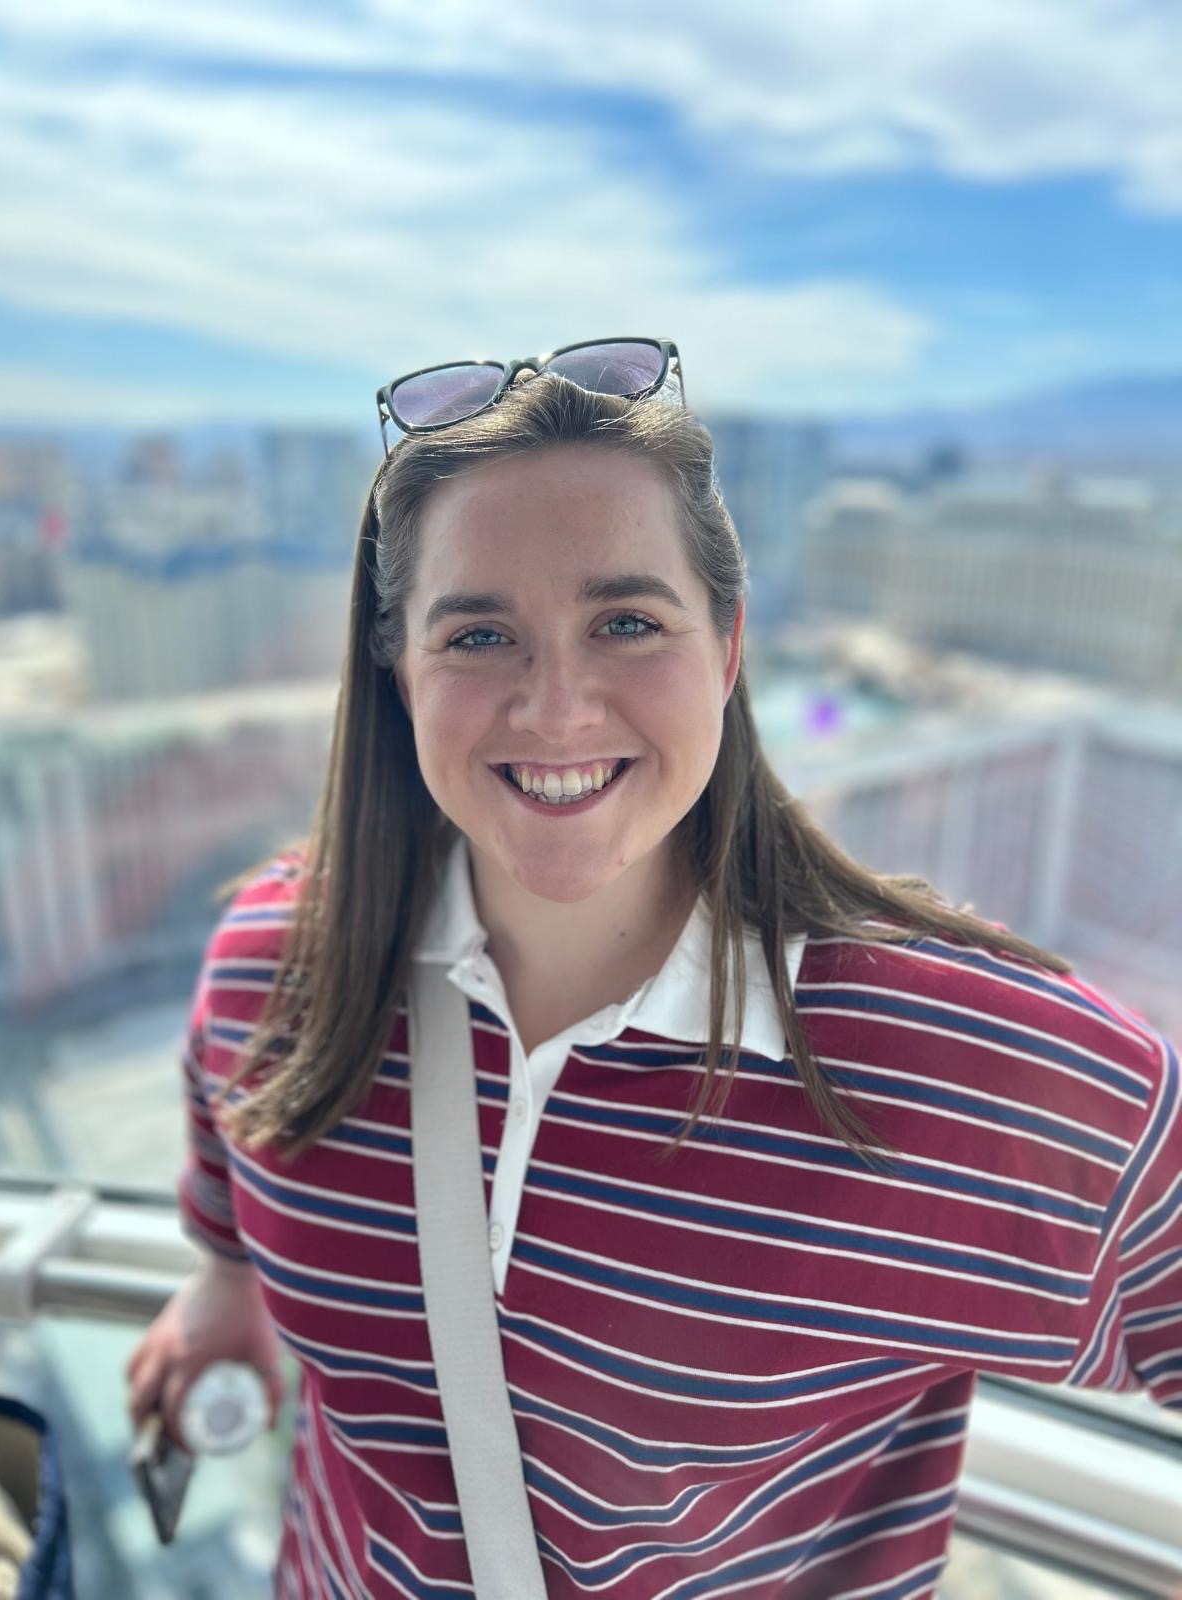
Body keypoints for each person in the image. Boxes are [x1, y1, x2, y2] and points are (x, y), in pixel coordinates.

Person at [125, 338, 1182, 1598]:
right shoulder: (269, 971)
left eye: (626, 621)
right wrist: (226, 1281)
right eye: (478, 636)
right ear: (398, 673)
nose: (559, 706)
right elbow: (229, 1161)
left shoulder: (985, 1078)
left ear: (728, 653)